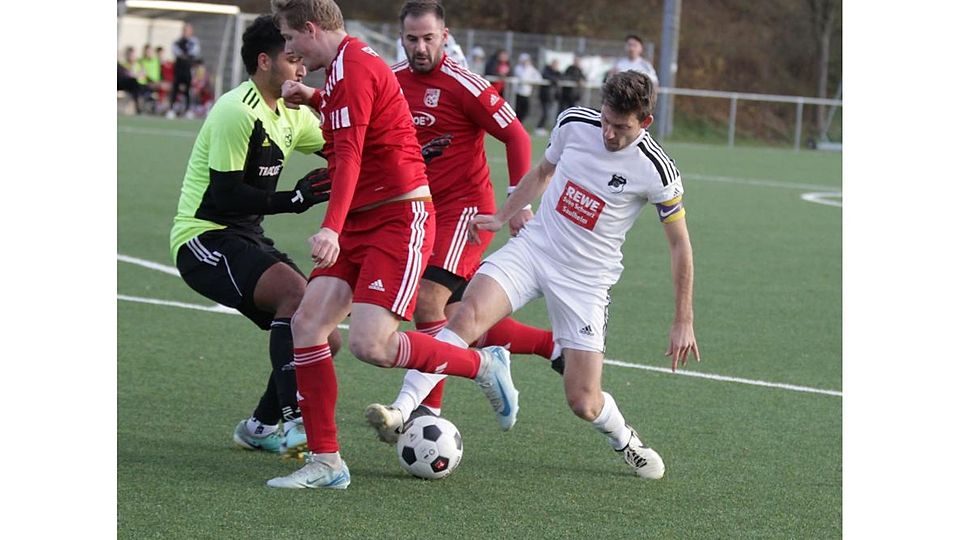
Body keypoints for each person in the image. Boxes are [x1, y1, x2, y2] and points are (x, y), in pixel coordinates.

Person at [367, 70, 700, 479]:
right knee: (465, 316)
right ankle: (401, 410)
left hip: (585, 281)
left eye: (621, 128)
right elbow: (542, 172)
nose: (609, 134)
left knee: (584, 402)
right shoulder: (575, 123)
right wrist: (502, 217)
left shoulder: (657, 170)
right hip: (534, 250)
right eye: (606, 120)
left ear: (644, 123)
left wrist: (683, 319)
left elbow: (679, 245)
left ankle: (626, 440)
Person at [267, 0, 522, 490]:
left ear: (311, 29)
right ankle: (327, 462)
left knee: (371, 345)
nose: (288, 49)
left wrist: (331, 229)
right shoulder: (344, 69)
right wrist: (315, 98)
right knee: (307, 323)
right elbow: (357, 118)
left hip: (397, 220)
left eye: (290, 38)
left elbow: (353, 154)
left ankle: (481, 363)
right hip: (364, 219)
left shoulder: (357, 66)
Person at [364, 0, 562, 444]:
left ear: (445, 35)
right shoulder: (390, 81)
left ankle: (421, 413)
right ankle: (551, 346)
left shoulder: (463, 84)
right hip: (418, 212)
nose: (420, 47)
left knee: (428, 304)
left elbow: (515, 134)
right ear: (401, 38)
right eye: (412, 39)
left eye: (429, 38)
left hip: (465, 212)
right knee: (458, 317)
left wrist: (517, 203)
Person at [169, 15, 341, 460]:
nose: (302, 68)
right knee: (295, 296)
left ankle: (260, 427)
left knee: (324, 335)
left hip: (245, 236)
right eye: (292, 58)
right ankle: (296, 422)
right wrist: (296, 199)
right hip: (204, 238)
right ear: (265, 61)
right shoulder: (236, 110)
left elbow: (342, 146)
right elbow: (225, 195)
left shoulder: (289, 114)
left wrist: (406, 153)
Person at [168, 23, 201, 118]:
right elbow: (176, 51)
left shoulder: (194, 42)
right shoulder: (177, 41)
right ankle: (171, 109)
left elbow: (194, 52)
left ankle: (188, 110)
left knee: (188, 90)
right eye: (184, 30)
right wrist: (183, 55)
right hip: (178, 68)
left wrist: (186, 55)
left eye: (187, 30)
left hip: (188, 69)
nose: (185, 32)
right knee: (175, 89)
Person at [512, 52, 541, 125]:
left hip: (527, 93)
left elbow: (538, 78)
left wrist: (531, 81)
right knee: (518, 110)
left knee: (525, 111)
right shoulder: (518, 68)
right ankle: (516, 124)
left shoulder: (531, 68)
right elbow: (522, 77)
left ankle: (519, 124)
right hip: (518, 92)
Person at [535, 58, 562, 135]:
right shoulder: (546, 70)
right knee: (545, 113)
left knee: (548, 113)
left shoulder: (557, 72)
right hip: (545, 95)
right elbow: (546, 76)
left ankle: (541, 127)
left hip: (551, 96)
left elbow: (561, 77)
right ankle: (539, 127)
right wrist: (554, 80)